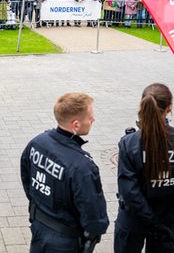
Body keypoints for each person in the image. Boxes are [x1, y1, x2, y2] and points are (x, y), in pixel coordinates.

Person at [115, 83, 174, 253]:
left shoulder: (129, 143)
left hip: (134, 219)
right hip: (167, 219)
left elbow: (129, 191)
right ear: (169, 108)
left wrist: (151, 220)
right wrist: (165, 219)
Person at [21, 93, 109, 253]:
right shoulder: (82, 166)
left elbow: (26, 177)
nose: (93, 119)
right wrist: (93, 234)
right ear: (76, 124)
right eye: (90, 117)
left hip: (39, 226)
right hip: (65, 239)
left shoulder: (37, 142)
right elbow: (93, 211)